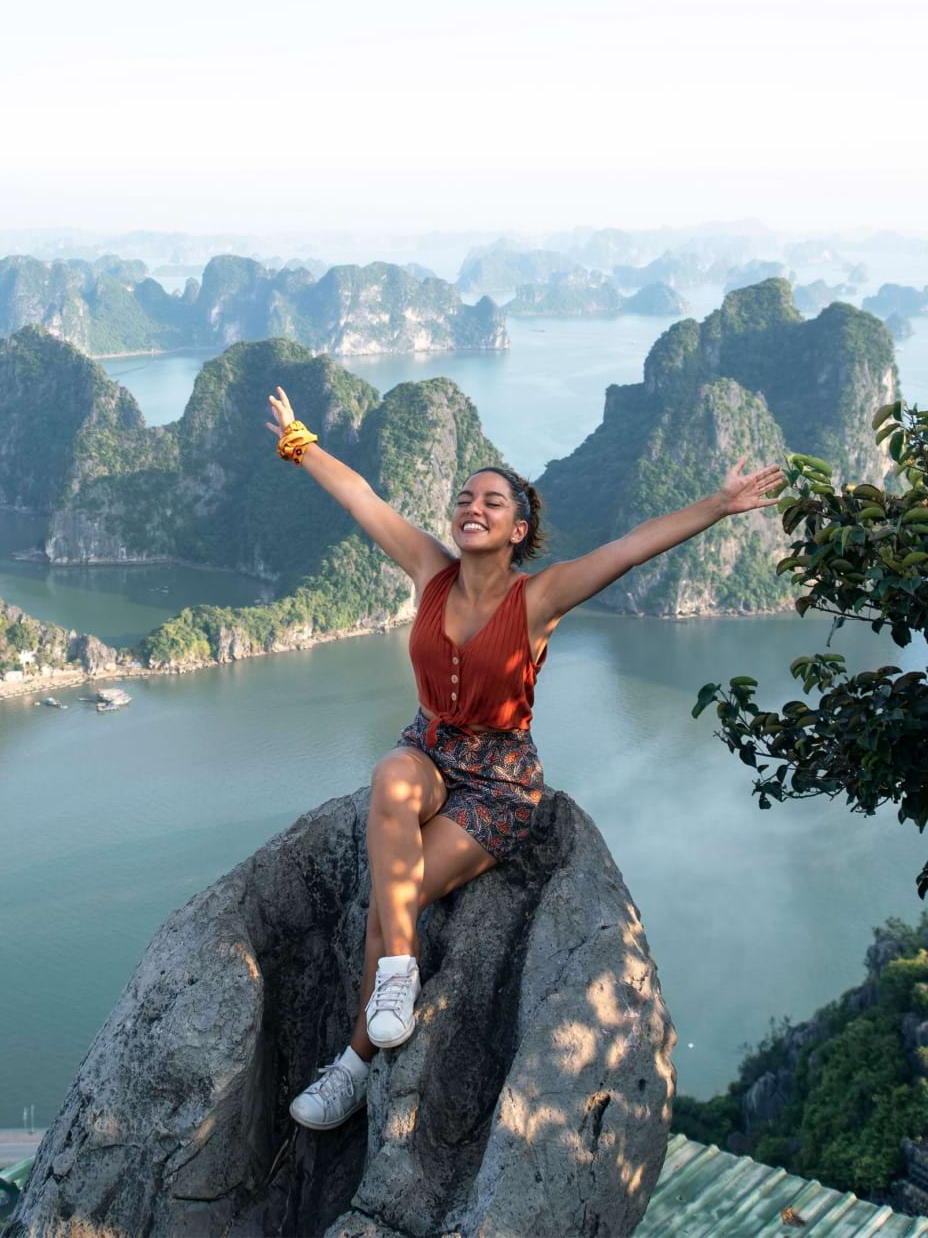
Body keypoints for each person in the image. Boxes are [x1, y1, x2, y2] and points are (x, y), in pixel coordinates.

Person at [267, 385, 783, 1131]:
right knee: (389, 778)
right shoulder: (429, 569)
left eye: (492, 501)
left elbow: (632, 547)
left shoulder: (540, 599)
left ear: (519, 526)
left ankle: (353, 1064)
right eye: (464, 497)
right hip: (430, 750)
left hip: (498, 785)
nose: (471, 507)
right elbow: (361, 498)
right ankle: (399, 980)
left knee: (394, 893)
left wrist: (718, 505)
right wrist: (298, 441)